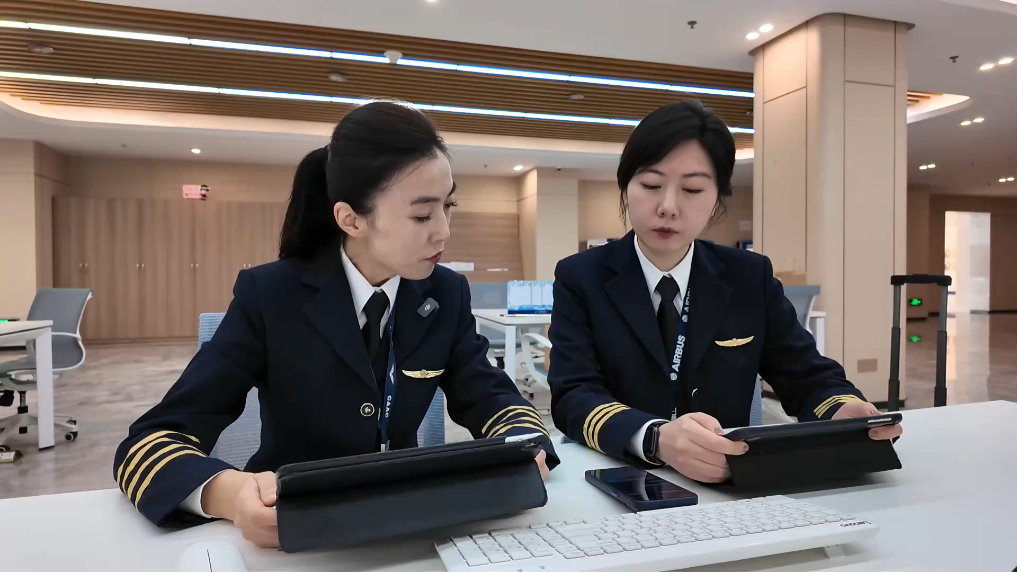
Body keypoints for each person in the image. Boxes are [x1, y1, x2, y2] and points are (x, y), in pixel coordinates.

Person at [112, 101, 556, 547]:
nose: (443, 230)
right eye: (422, 215)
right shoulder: (271, 295)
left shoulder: (444, 293)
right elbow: (151, 443)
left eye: (448, 206)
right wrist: (229, 494)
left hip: (408, 520)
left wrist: (523, 447)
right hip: (295, 525)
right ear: (351, 219)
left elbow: (491, 397)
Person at [547, 100, 901, 484]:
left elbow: (804, 374)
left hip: (728, 476)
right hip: (621, 474)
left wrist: (842, 410)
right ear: (626, 186)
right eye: (650, 185)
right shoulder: (581, 276)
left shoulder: (747, 275)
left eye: (693, 189)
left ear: (717, 196)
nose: (668, 207)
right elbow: (573, 395)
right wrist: (654, 438)